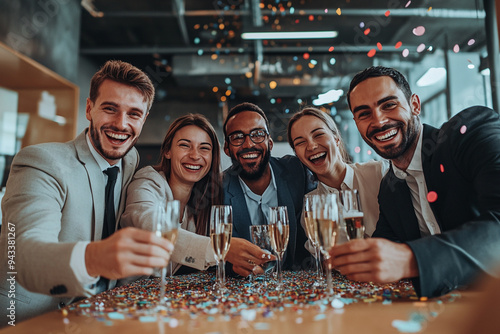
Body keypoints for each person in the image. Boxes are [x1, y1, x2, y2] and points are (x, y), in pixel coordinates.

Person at [0, 60, 173, 325]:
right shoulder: (41, 162)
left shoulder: (130, 159)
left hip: (100, 318)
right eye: (110, 109)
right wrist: (94, 259)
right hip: (31, 320)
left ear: (144, 119)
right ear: (89, 108)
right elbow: (21, 255)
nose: (121, 124)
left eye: (134, 114)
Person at [331, 65, 500, 297]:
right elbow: (382, 253)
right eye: (364, 113)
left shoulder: (467, 134)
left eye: (389, 105)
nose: (379, 122)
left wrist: (412, 259)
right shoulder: (389, 189)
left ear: (415, 105)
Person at [121, 114, 270, 277]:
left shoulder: (207, 197)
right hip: (132, 296)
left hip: (176, 297)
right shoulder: (147, 182)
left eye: (204, 148)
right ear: (167, 151)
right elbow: (150, 227)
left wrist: (240, 266)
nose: (195, 155)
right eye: (185, 145)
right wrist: (220, 248)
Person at [222, 102, 316, 273]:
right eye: (237, 137)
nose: (248, 144)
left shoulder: (298, 172)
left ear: (270, 142)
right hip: (244, 291)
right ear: (227, 148)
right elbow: (218, 255)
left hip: (297, 288)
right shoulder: (218, 189)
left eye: (257, 134)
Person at [287, 107, 388, 242]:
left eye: (318, 135)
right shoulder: (311, 206)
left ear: (336, 138)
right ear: (297, 155)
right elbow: (324, 257)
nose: (311, 146)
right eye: (300, 142)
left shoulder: (378, 173)